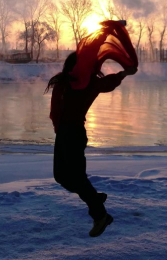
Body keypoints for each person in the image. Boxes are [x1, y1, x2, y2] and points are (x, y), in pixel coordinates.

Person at [46, 51, 137, 237]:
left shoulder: (87, 83)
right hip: (66, 133)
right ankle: (93, 197)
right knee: (62, 176)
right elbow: (56, 111)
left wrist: (124, 74)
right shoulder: (68, 82)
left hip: (73, 133)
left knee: (76, 178)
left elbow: (108, 83)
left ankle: (100, 216)